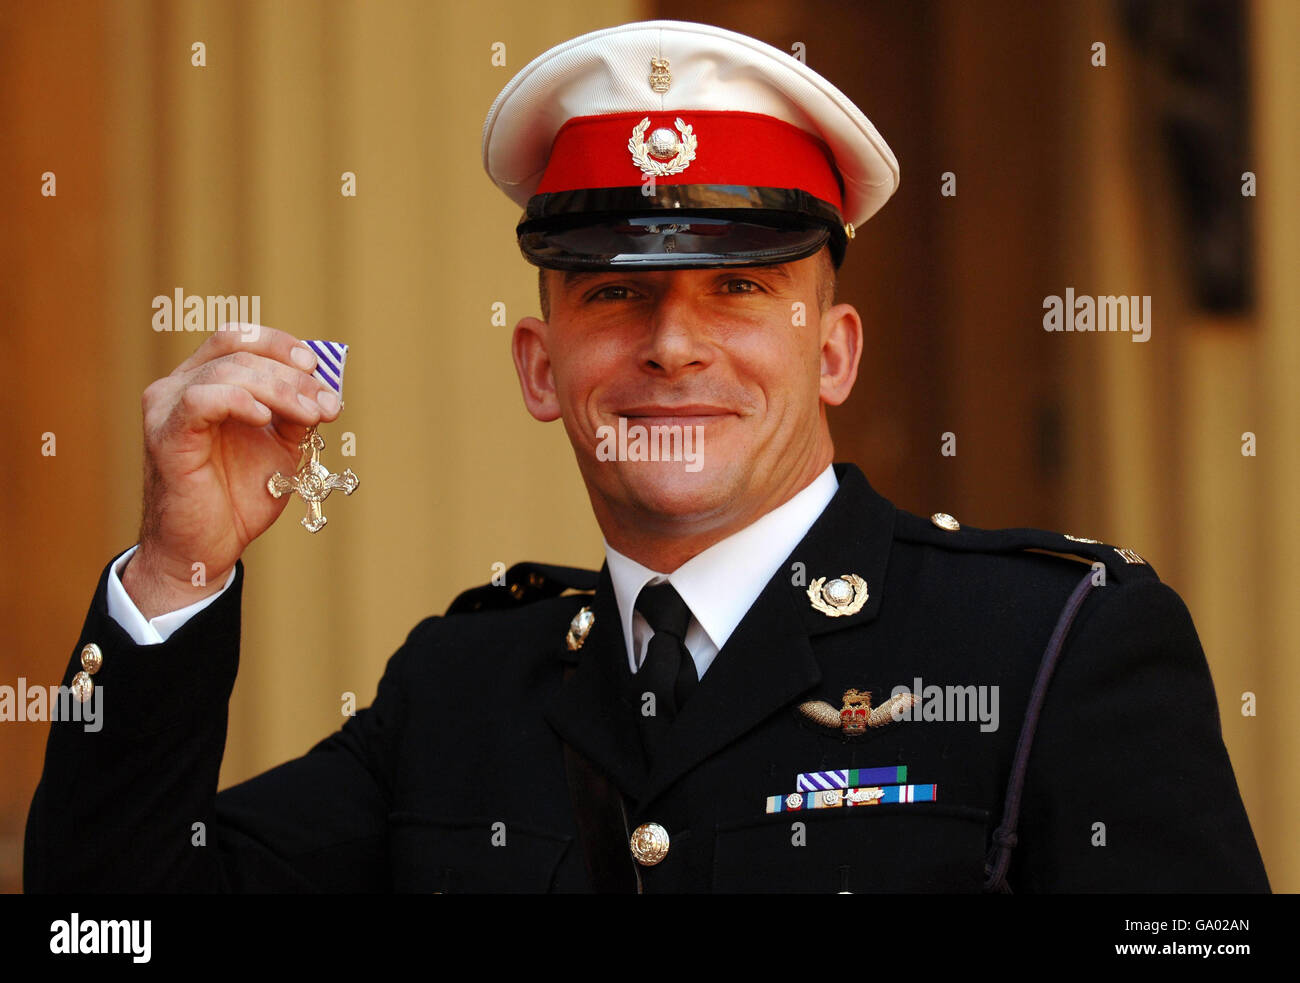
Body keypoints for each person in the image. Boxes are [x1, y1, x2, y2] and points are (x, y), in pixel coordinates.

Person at [26, 19, 1267, 893]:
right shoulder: (460, 687)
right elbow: (107, 927)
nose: (674, 344)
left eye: (737, 286)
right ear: (539, 366)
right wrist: (177, 572)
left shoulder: (1055, 647)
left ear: (833, 352)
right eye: (615, 296)